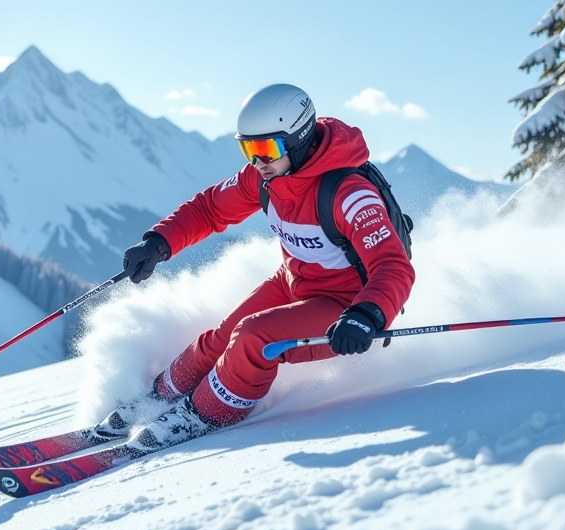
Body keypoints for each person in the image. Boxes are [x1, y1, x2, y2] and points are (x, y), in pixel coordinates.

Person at [96, 84, 415, 452]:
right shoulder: (265, 177)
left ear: (299, 140)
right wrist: (159, 243)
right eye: (248, 148)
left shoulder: (349, 194)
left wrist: (367, 314)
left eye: (266, 149)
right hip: (295, 281)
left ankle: (202, 413)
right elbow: (210, 208)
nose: (257, 161)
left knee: (253, 338)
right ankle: (158, 398)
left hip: (344, 305)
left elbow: (394, 266)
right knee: (220, 337)